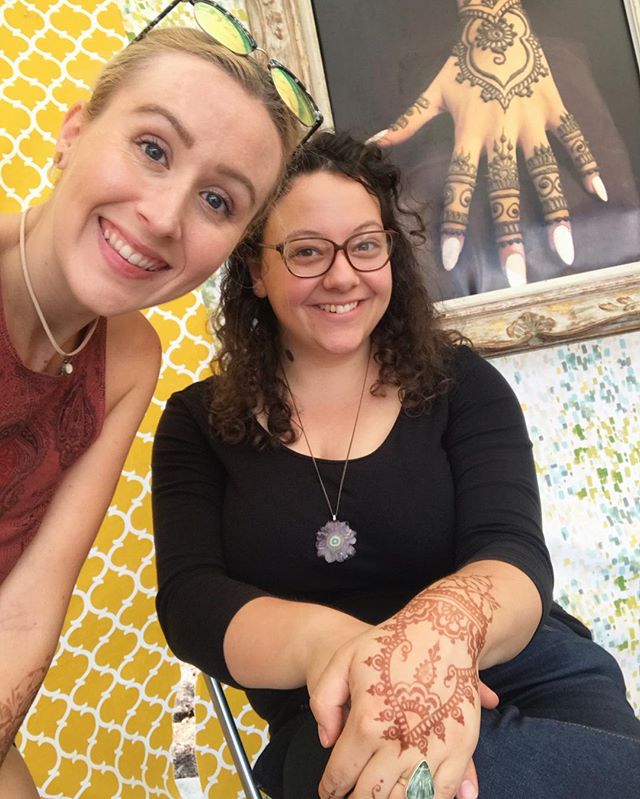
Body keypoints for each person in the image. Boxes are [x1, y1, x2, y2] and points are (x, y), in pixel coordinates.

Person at [151, 132, 640, 799]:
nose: (343, 275)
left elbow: (513, 550)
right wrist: (348, 650)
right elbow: (192, 604)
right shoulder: (195, 423)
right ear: (256, 271)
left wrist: (442, 634)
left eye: (365, 245)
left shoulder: (462, 384)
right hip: (329, 708)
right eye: (307, 251)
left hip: (522, 672)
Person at [0, 11, 311, 792]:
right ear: (74, 132)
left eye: (218, 201)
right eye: (152, 149)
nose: (165, 216)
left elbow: (29, 608)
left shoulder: (133, 357)